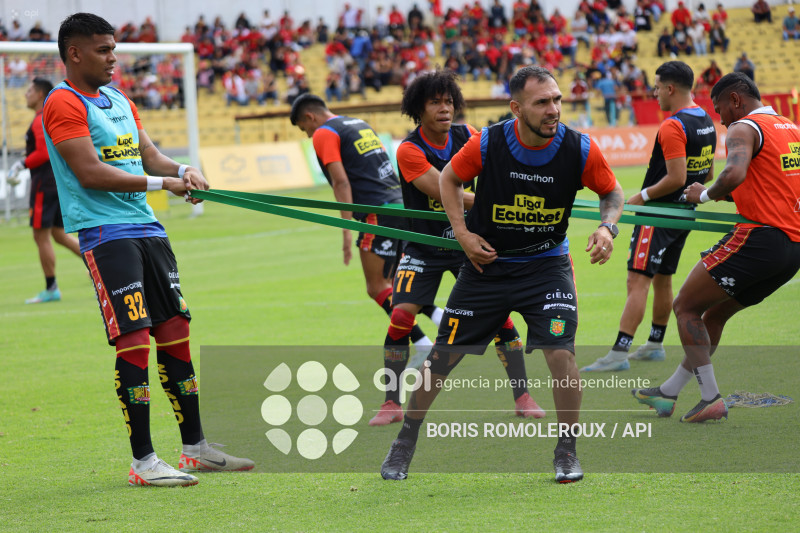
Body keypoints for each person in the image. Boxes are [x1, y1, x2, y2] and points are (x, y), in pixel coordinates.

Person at [380, 66, 624, 483]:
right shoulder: (489, 143)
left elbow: (612, 191)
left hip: (547, 266)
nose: (554, 110)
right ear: (516, 108)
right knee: (442, 358)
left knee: (562, 354)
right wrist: (462, 234)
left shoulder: (580, 148)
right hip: (487, 268)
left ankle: (567, 451)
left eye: (557, 100)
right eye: (542, 103)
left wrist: (607, 226)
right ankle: (405, 440)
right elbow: (451, 180)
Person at [42, 13, 253, 487]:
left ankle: (196, 448)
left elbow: (150, 155)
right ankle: (143, 461)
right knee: (134, 337)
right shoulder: (63, 103)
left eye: (114, 48)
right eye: (103, 50)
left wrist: (184, 169)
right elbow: (90, 173)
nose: (114, 58)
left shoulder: (118, 98)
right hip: (104, 232)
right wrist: (166, 183)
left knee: (175, 328)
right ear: (74, 53)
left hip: (148, 228)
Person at [371, 70, 546, 426]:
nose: (444, 108)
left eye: (449, 101)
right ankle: (391, 403)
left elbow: (503, 162)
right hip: (424, 246)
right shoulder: (408, 150)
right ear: (418, 110)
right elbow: (443, 189)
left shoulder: (468, 135)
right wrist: (494, 202)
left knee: (501, 318)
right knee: (402, 315)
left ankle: (523, 396)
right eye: (435, 102)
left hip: (469, 242)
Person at [633, 72, 800, 422]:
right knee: (715, 314)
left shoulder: (744, 128)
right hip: (792, 249)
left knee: (685, 307)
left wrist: (704, 194)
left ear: (736, 100)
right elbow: (771, 184)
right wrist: (730, 195)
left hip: (760, 239)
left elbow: (734, 173)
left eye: (720, 108)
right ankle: (669, 393)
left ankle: (710, 398)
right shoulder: (790, 128)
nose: (720, 118)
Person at [582, 61, 716, 372]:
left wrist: (639, 197)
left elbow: (676, 176)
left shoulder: (673, 125)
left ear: (670, 88)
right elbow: (706, 173)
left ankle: (618, 353)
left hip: (657, 214)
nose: (653, 93)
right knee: (663, 278)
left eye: (656, 87)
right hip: (684, 215)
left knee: (637, 280)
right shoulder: (706, 120)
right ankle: (655, 344)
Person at [289, 93, 441, 366]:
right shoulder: (359, 123)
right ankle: (439, 323)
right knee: (397, 282)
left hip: (377, 212)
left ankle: (423, 343)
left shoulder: (324, 133)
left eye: (304, 128)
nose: (308, 133)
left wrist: (346, 228)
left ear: (309, 117)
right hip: (399, 206)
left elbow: (341, 182)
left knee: (376, 287)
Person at [6, 78, 82, 304]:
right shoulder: (44, 119)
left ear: (40, 94)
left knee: (40, 235)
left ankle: (51, 288)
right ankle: (98, 264)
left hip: (44, 184)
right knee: (59, 234)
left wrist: (22, 164)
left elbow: (43, 153)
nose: (25, 94)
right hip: (55, 183)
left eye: (29, 90)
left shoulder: (40, 120)